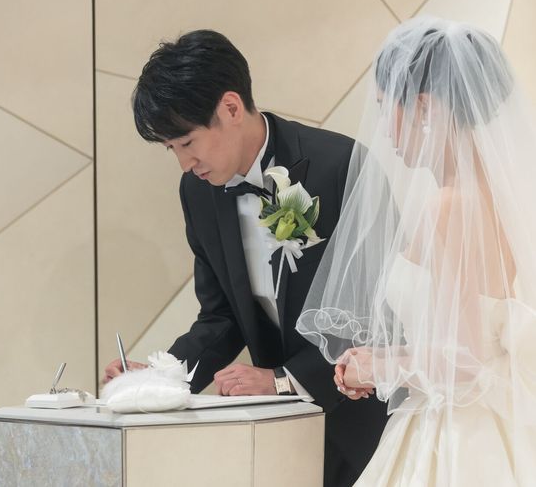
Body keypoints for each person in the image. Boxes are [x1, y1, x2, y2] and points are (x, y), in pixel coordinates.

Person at [103, 29, 388, 486]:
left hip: (364, 423)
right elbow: (221, 316)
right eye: (171, 149)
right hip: (278, 438)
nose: (184, 164)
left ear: (231, 108)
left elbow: (374, 309)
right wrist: (161, 377)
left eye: (187, 143)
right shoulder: (198, 192)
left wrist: (284, 379)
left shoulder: (341, 165)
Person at [297, 16, 536, 485]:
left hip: (458, 434)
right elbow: (477, 337)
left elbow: (464, 363)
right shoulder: (501, 198)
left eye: (385, 106)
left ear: (424, 107)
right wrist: (387, 357)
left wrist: (377, 368)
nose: (384, 129)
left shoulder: (447, 207)